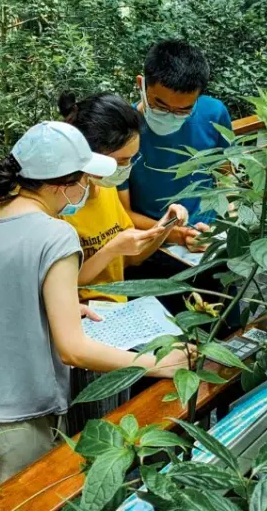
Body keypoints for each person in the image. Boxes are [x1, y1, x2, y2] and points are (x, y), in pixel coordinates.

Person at [0, 121, 192, 506]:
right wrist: (156, 364)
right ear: (63, 183)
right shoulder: (55, 234)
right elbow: (72, 350)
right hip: (15, 422)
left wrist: (55, 304)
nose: (88, 187)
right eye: (85, 179)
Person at [57, 92, 189, 431]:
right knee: (101, 426)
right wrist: (112, 249)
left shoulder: (105, 190)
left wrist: (164, 228)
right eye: (120, 161)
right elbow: (66, 286)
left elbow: (132, 257)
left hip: (121, 314)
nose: (127, 169)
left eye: (132, 159)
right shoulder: (60, 206)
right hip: (85, 331)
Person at [119, 39, 239, 325]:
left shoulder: (214, 113)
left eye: (183, 109)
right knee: (162, 344)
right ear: (142, 84)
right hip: (152, 252)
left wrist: (227, 226)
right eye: (160, 104)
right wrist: (174, 234)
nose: (171, 115)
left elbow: (225, 178)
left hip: (209, 248)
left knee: (225, 333)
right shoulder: (122, 129)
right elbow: (122, 213)